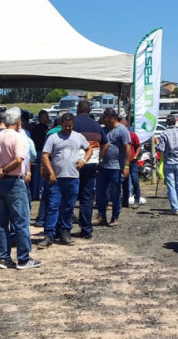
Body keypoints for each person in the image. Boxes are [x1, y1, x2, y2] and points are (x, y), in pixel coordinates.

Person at [0, 108, 40, 269]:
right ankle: (23, 258)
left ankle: (4, 258)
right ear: (18, 122)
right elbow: (20, 158)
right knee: (21, 221)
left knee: (2, 222)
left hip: (0, 182)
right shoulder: (19, 137)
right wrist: (5, 170)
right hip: (14, 181)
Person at [39, 112, 91, 247]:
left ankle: (65, 232)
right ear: (61, 124)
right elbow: (45, 156)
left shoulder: (78, 137)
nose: (68, 128)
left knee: (69, 206)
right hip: (56, 178)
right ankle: (49, 234)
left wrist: (84, 160)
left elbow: (89, 148)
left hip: (72, 177)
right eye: (66, 126)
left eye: (70, 126)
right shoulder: (53, 138)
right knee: (53, 206)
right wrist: (51, 172)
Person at [71, 99, 105, 239]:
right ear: (89, 110)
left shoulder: (73, 123)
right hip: (91, 163)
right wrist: (99, 159)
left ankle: (64, 229)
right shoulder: (96, 125)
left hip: (75, 163)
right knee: (87, 198)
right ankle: (86, 230)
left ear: (78, 109)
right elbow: (106, 143)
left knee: (69, 196)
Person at [96, 109, 131, 227]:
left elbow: (127, 148)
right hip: (103, 166)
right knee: (100, 192)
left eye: (104, 117)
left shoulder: (122, 130)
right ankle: (101, 215)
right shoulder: (104, 130)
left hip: (116, 167)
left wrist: (126, 166)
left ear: (111, 117)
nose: (102, 120)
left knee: (115, 192)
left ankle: (115, 217)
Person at [156, 114, 178, 215]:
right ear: (175, 122)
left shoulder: (164, 133)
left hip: (169, 162)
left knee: (171, 186)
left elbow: (161, 149)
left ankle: (175, 208)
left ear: (166, 122)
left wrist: (156, 145)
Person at [120, 112, 143, 209]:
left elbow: (138, 147)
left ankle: (137, 199)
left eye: (123, 126)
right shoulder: (119, 136)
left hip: (132, 162)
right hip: (123, 161)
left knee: (135, 180)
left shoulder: (132, 135)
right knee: (124, 182)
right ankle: (125, 201)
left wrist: (135, 156)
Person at [29, 109, 50, 206]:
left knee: (35, 174)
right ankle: (41, 194)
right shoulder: (45, 129)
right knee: (42, 174)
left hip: (35, 152)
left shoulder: (34, 128)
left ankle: (34, 194)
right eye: (45, 117)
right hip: (41, 152)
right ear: (41, 118)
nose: (47, 119)